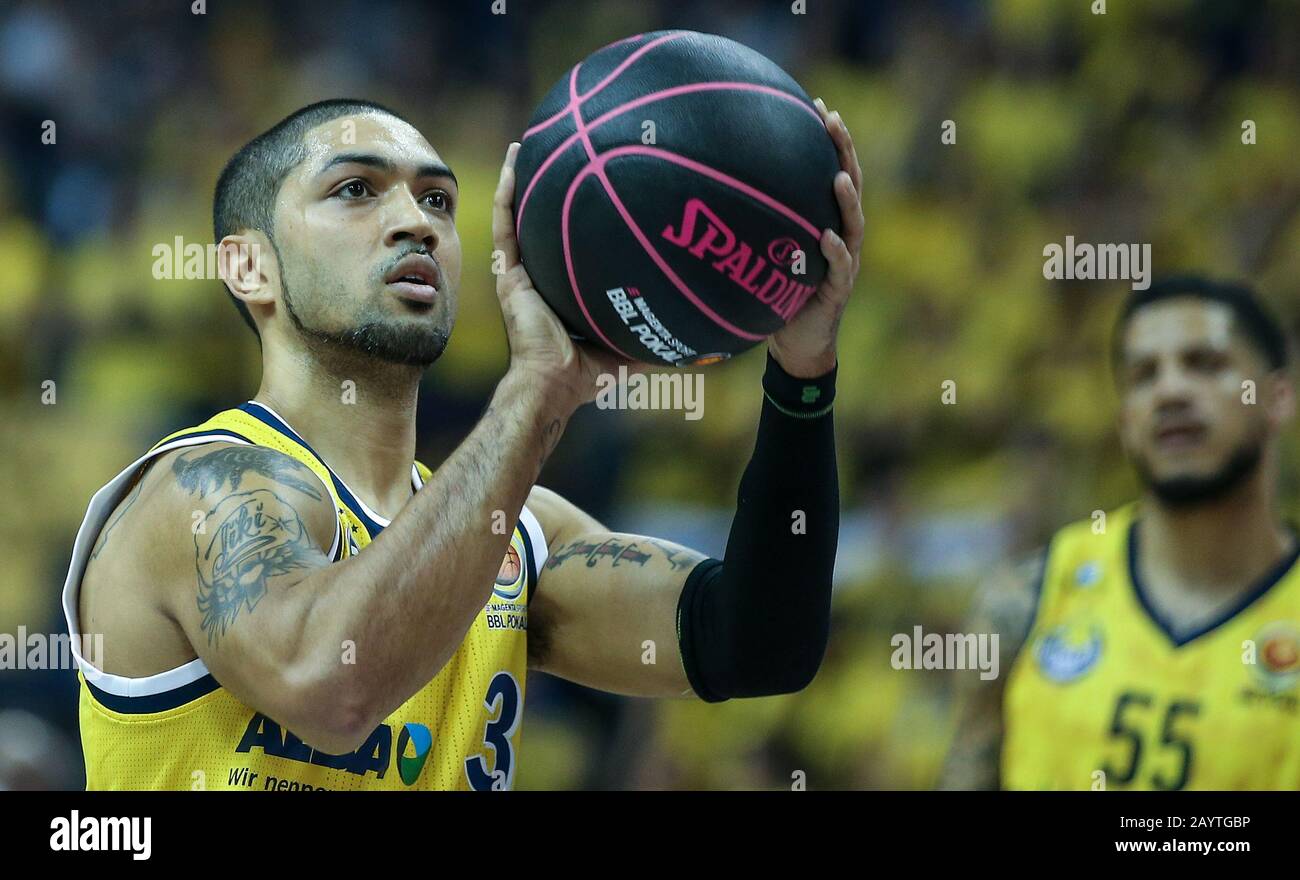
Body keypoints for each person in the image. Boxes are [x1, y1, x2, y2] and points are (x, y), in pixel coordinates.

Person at [62, 97, 864, 790]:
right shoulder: (202, 487)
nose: (414, 221)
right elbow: (333, 688)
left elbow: (763, 645)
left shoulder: (516, 538)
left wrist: (801, 375)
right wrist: (536, 392)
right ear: (249, 266)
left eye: (439, 201)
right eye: (355, 190)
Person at [941, 277, 1300, 790]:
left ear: (1278, 397)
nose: (1171, 391)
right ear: (1124, 419)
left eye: (1205, 364)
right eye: (1144, 375)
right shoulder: (1027, 600)